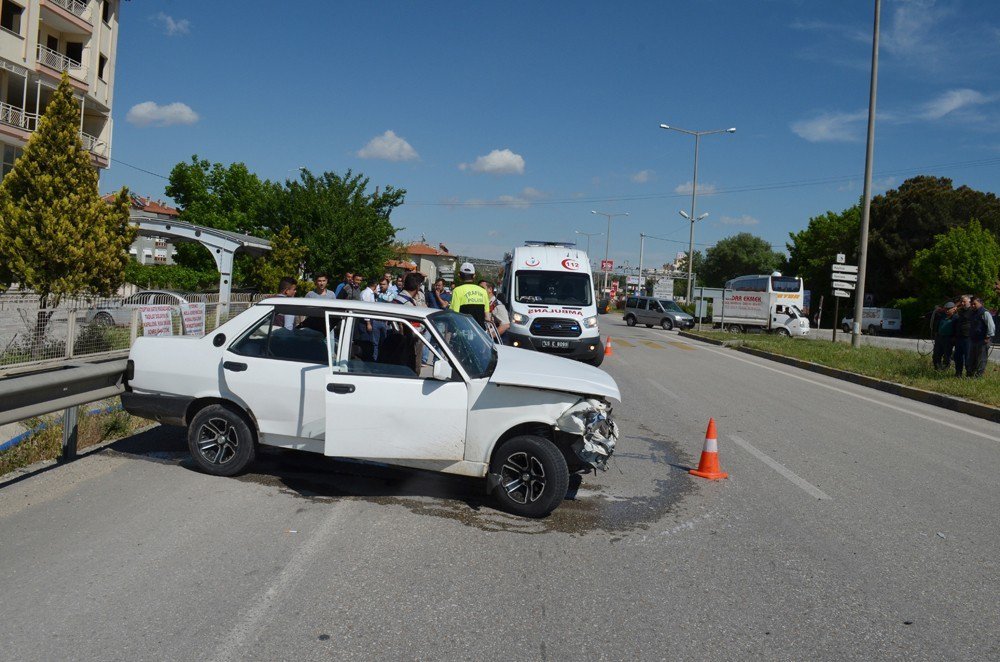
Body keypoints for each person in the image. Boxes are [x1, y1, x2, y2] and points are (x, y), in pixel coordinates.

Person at [450, 262, 488, 326]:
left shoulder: (457, 290)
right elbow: (487, 316)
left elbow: (455, 314)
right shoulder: (483, 291)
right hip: (480, 331)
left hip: (464, 330)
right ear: (474, 276)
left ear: (459, 275)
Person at [968, 296, 996, 378]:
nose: (972, 306)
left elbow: (991, 326)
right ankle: (970, 375)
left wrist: (987, 338)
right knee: (972, 358)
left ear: (980, 303)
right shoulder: (973, 313)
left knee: (981, 359)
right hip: (973, 339)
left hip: (982, 340)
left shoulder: (985, 313)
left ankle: (978, 377)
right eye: (971, 304)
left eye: (974, 304)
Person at [952, 295, 974, 377]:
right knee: (958, 356)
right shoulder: (959, 311)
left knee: (968, 356)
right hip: (959, 337)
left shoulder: (972, 311)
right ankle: (958, 373)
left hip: (968, 337)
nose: (962, 303)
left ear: (969, 302)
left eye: (964, 301)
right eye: (961, 301)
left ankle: (969, 374)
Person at [931, 301, 956, 371]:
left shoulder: (955, 318)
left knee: (947, 355)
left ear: (954, 309)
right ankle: (937, 369)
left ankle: (945, 369)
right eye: (946, 309)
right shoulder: (942, 316)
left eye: (948, 309)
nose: (947, 310)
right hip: (939, 337)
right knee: (936, 354)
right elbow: (936, 308)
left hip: (948, 339)